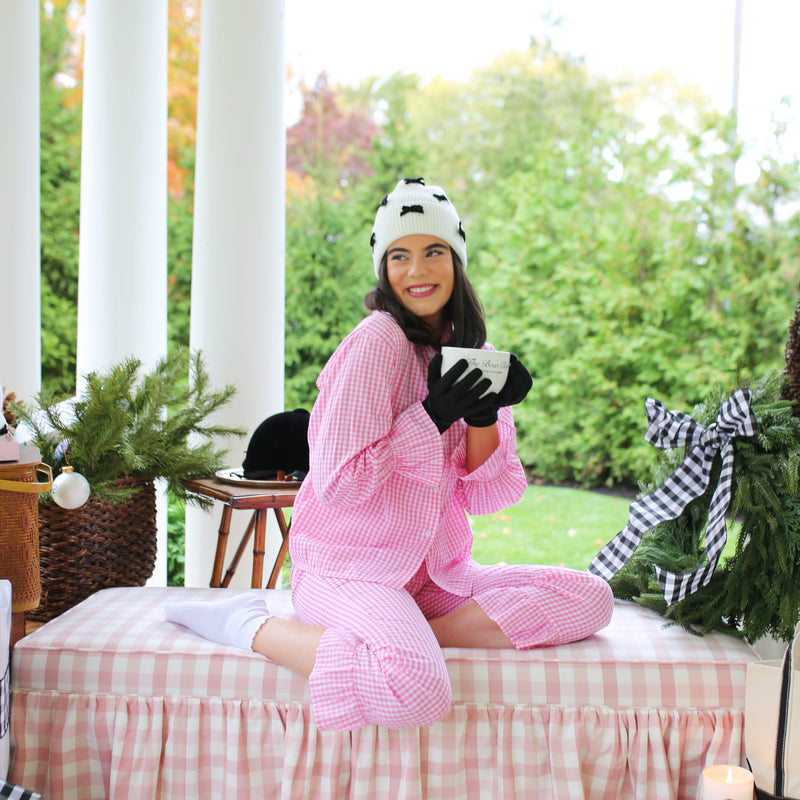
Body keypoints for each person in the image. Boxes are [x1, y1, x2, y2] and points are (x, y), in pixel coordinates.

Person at [166, 177, 614, 731]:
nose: (417, 270)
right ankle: (249, 624)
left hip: (433, 574)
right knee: (418, 688)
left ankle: (418, 634)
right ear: (383, 268)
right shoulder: (377, 342)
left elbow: (489, 495)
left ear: (456, 259)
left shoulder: (474, 353)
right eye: (399, 256)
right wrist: (432, 417)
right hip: (349, 570)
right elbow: (340, 484)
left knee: (591, 598)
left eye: (434, 251)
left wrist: (482, 416)